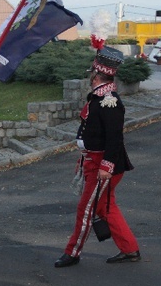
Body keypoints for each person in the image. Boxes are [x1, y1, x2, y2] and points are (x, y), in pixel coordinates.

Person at [55, 46, 140, 268]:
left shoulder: (109, 100)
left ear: (96, 75)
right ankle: (129, 248)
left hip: (102, 165)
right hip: (94, 162)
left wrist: (106, 166)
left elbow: (115, 138)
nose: (89, 77)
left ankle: (72, 252)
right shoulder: (100, 97)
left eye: (91, 74)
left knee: (86, 210)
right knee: (105, 207)